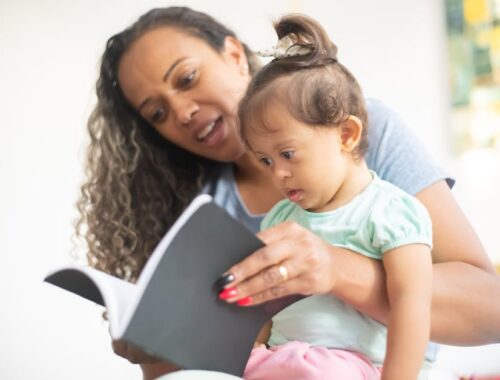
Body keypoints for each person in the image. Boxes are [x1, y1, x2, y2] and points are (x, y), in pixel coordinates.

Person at [76, 6, 500, 380]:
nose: (182, 113)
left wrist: (335, 269)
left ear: (235, 55)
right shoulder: (202, 210)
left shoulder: (360, 139)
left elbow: (490, 310)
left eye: (187, 78)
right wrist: (160, 346)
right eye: (158, 113)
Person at [234, 14, 432, 379]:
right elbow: (264, 312)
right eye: (265, 160)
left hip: (356, 366)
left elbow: (413, 308)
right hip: (281, 359)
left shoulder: (392, 211)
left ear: (346, 135)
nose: (277, 173)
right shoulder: (279, 219)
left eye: (288, 154)